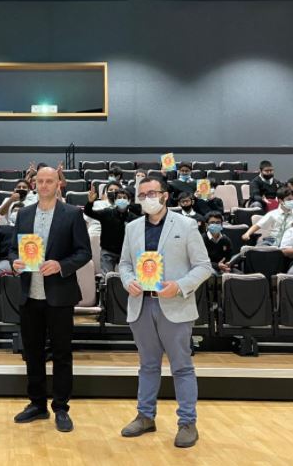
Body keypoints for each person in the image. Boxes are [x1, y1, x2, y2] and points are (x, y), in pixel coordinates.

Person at [117, 177, 212, 448]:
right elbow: (124, 264)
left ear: (165, 195)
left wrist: (180, 286)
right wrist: (127, 281)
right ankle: (145, 416)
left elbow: (204, 266)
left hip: (174, 306)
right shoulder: (132, 227)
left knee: (182, 367)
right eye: (142, 194)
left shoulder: (187, 225)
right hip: (141, 305)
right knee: (147, 366)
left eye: (152, 193)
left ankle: (187, 422)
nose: (147, 197)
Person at [10, 167, 91, 433]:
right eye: (40, 181)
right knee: (32, 353)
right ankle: (37, 404)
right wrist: (15, 262)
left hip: (59, 295)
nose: (44, 185)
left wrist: (61, 264)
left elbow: (84, 252)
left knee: (61, 353)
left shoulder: (72, 214)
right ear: (34, 184)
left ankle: (61, 407)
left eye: (49, 181)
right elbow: (12, 249)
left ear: (59, 184)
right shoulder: (23, 214)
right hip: (29, 294)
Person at [84, 184, 137, 274]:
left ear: (129, 201)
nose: (122, 200)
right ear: (115, 200)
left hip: (125, 253)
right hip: (107, 251)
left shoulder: (133, 218)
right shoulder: (107, 212)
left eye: (124, 198)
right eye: (119, 198)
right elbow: (89, 212)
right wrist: (90, 202)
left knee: (126, 277)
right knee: (107, 277)